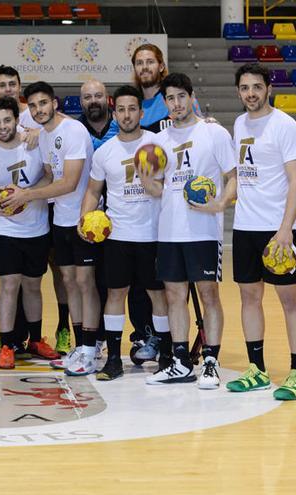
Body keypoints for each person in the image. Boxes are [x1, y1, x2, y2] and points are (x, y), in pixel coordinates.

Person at [145, 73, 237, 388]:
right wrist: (147, 180)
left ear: (191, 96)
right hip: (169, 230)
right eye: (170, 98)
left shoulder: (214, 133)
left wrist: (221, 203)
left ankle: (210, 361)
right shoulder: (158, 141)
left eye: (181, 96)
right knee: (174, 296)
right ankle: (180, 362)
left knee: (209, 294)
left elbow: (233, 175)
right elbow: (158, 189)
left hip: (203, 230)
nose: (176, 103)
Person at [226, 63, 296, 400]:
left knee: (290, 300)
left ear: (268, 88)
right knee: (249, 297)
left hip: (278, 230)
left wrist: (286, 228)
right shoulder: (238, 124)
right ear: (239, 91)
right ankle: (257, 369)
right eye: (245, 88)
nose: (251, 94)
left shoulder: (285, 126)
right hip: (245, 226)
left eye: (256, 87)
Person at [78, 85, 169, 381]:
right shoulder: (104, 152)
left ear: (141, 113)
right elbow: (93, 192)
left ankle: (167, 355)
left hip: (154, 235)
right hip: (117, 236)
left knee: (159, 295)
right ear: (114, 113)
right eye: (122, 110)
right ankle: (114, 359)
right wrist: (84, 219)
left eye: (133, 109)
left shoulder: (158, 143)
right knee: (115, 293)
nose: (127, 115)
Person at [13, 81, 101, 376]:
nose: (38, 110)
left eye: (43, 103)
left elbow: (69, 182)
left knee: (85, 282)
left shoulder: (73, 130)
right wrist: (18, 192)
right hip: (60, 218)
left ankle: (92, 348)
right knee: (69, 281)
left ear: (55, 103)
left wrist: (26, 195)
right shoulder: (46, 136)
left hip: (83, 218)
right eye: (33, 105)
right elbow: (50, 177)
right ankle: (79, 346)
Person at [0, 97, 52, 369]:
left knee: (32, 286)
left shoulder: (35, 144)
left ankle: (35, 340)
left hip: (37, 226)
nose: (2, 126)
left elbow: (50, 177)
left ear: (17, 119)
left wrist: (28, 195)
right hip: (3, 230)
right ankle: (6, 345)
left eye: (7, 120)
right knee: (8, 285)